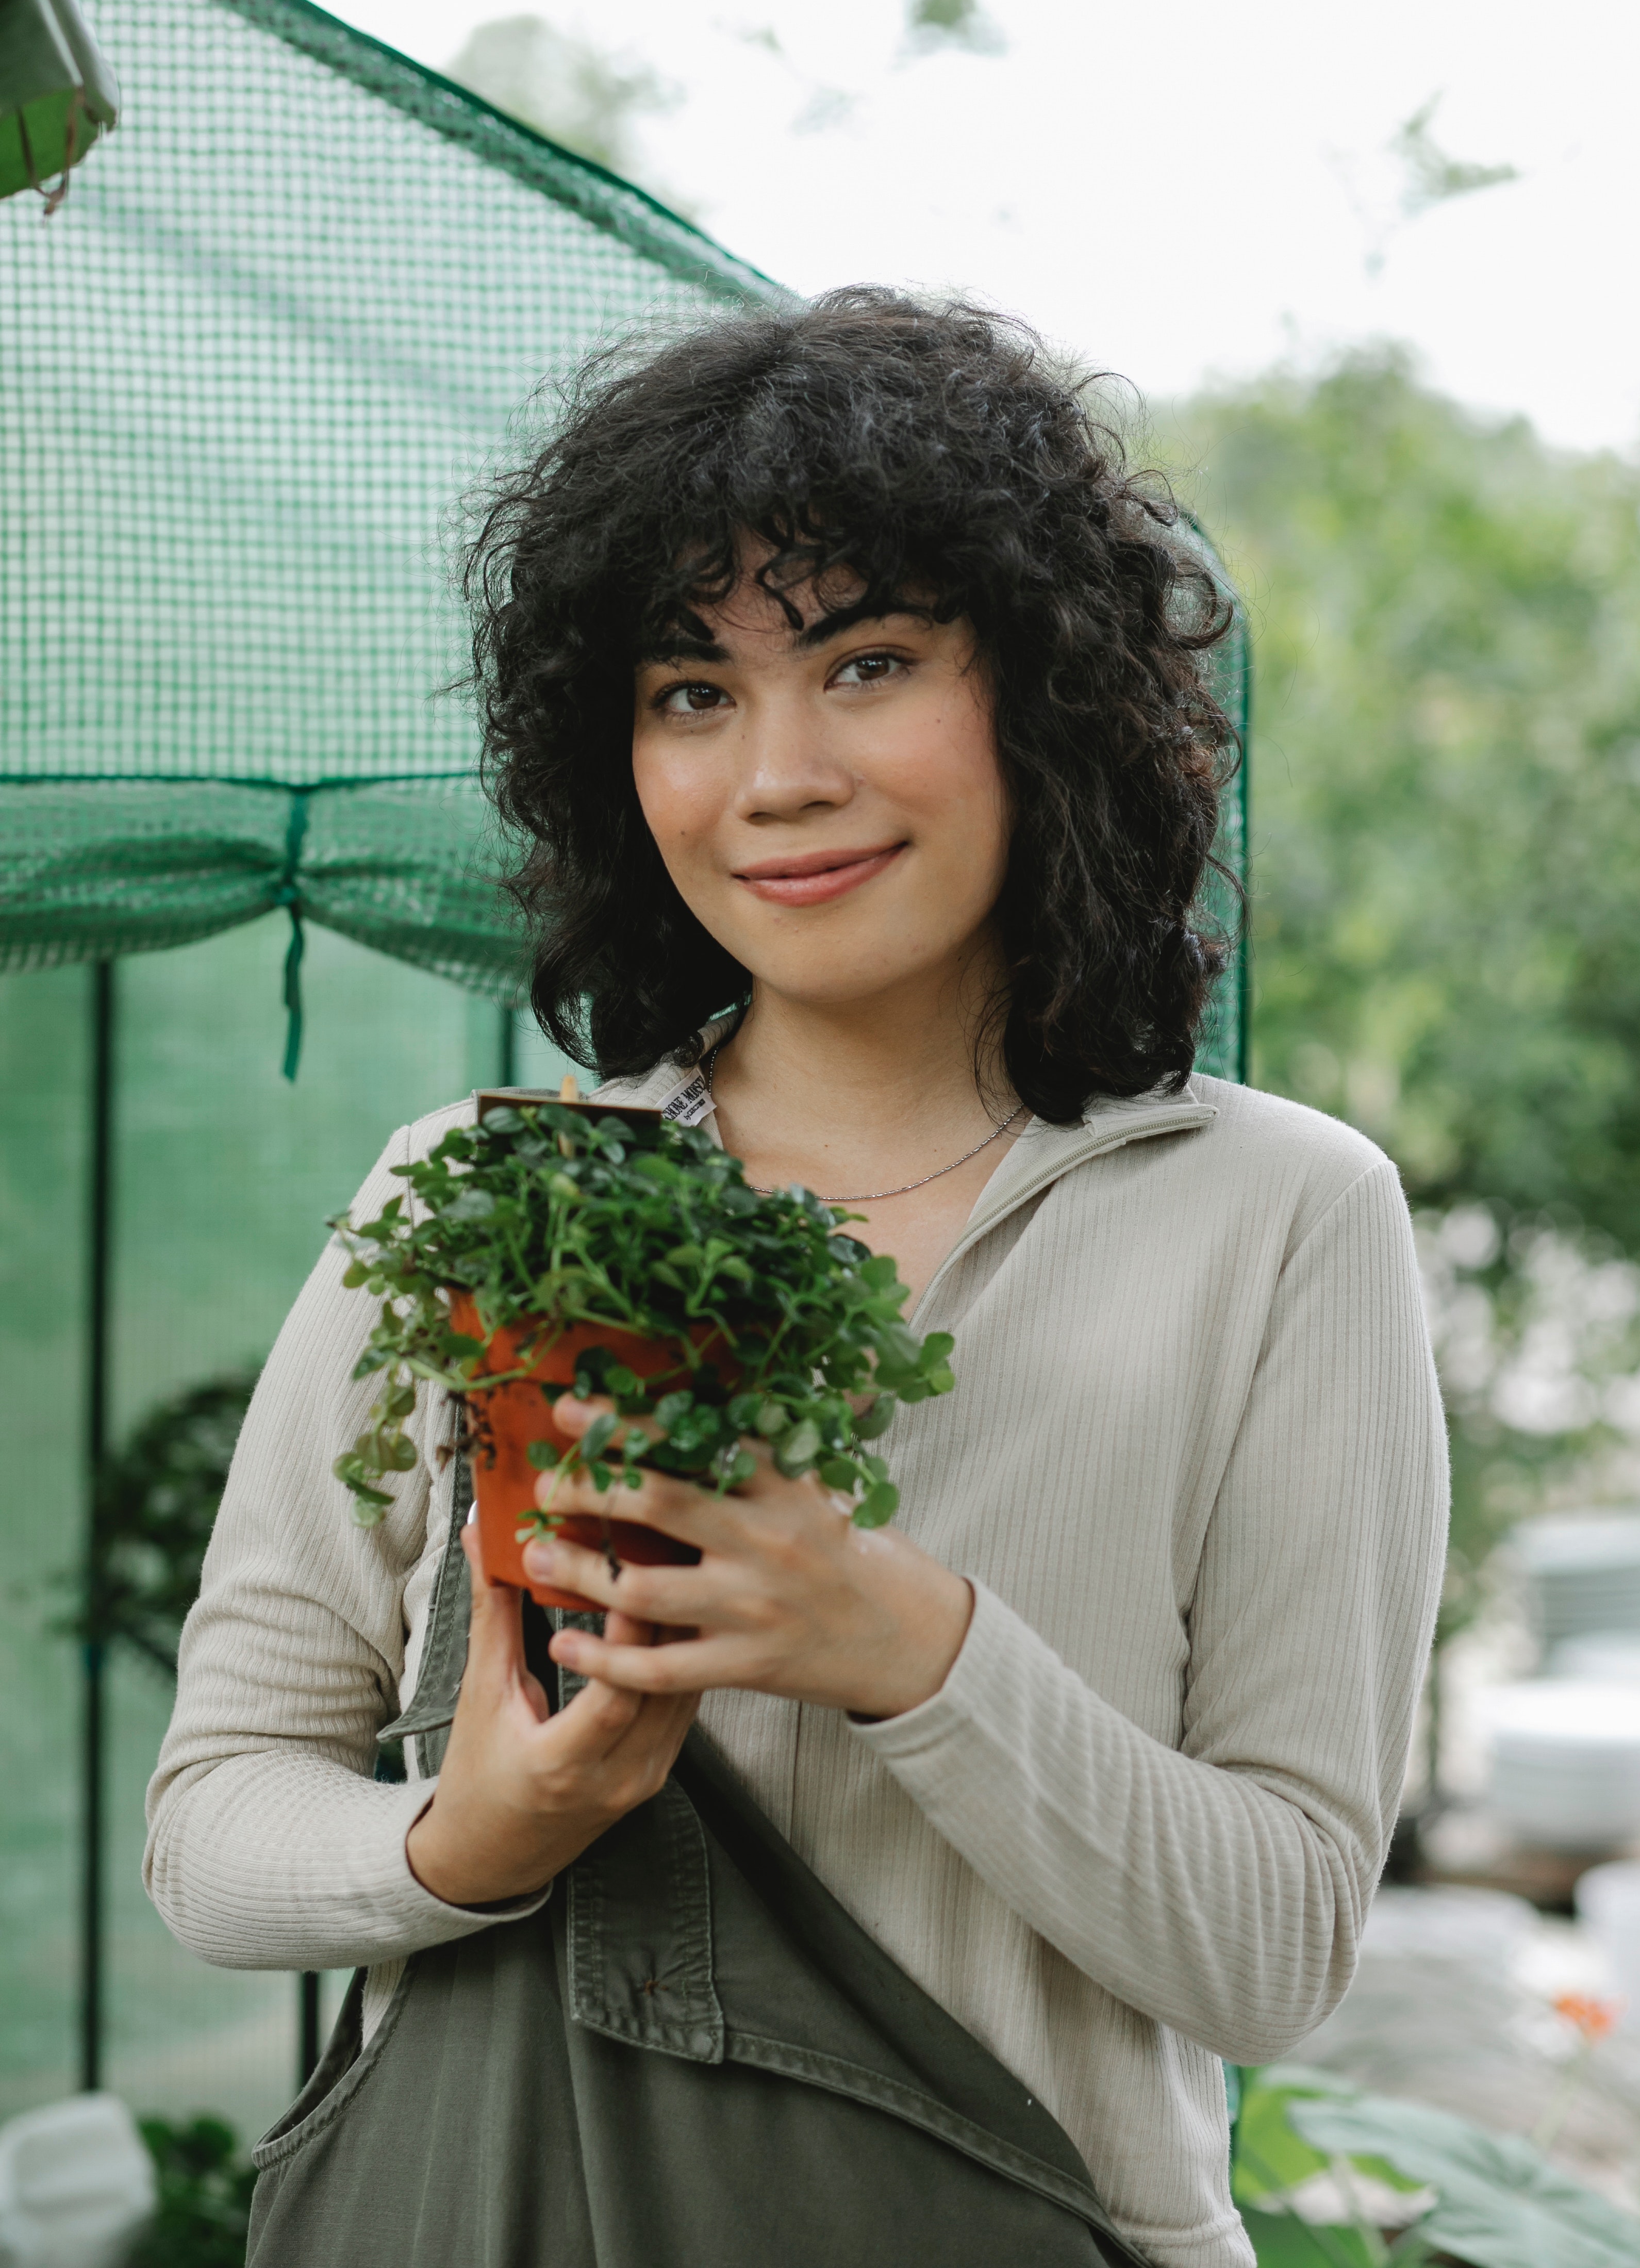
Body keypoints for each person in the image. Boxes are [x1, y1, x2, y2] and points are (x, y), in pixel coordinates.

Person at [146, 290, 1447, 2268]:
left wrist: (902, 1646)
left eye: (869, 662)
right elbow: (215, 1824)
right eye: (692, 691)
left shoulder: (1277, 1218)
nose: (778, 775)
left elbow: (1275, 1951)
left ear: (1048, 697)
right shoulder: (487, 1203)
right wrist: (476, 1835)